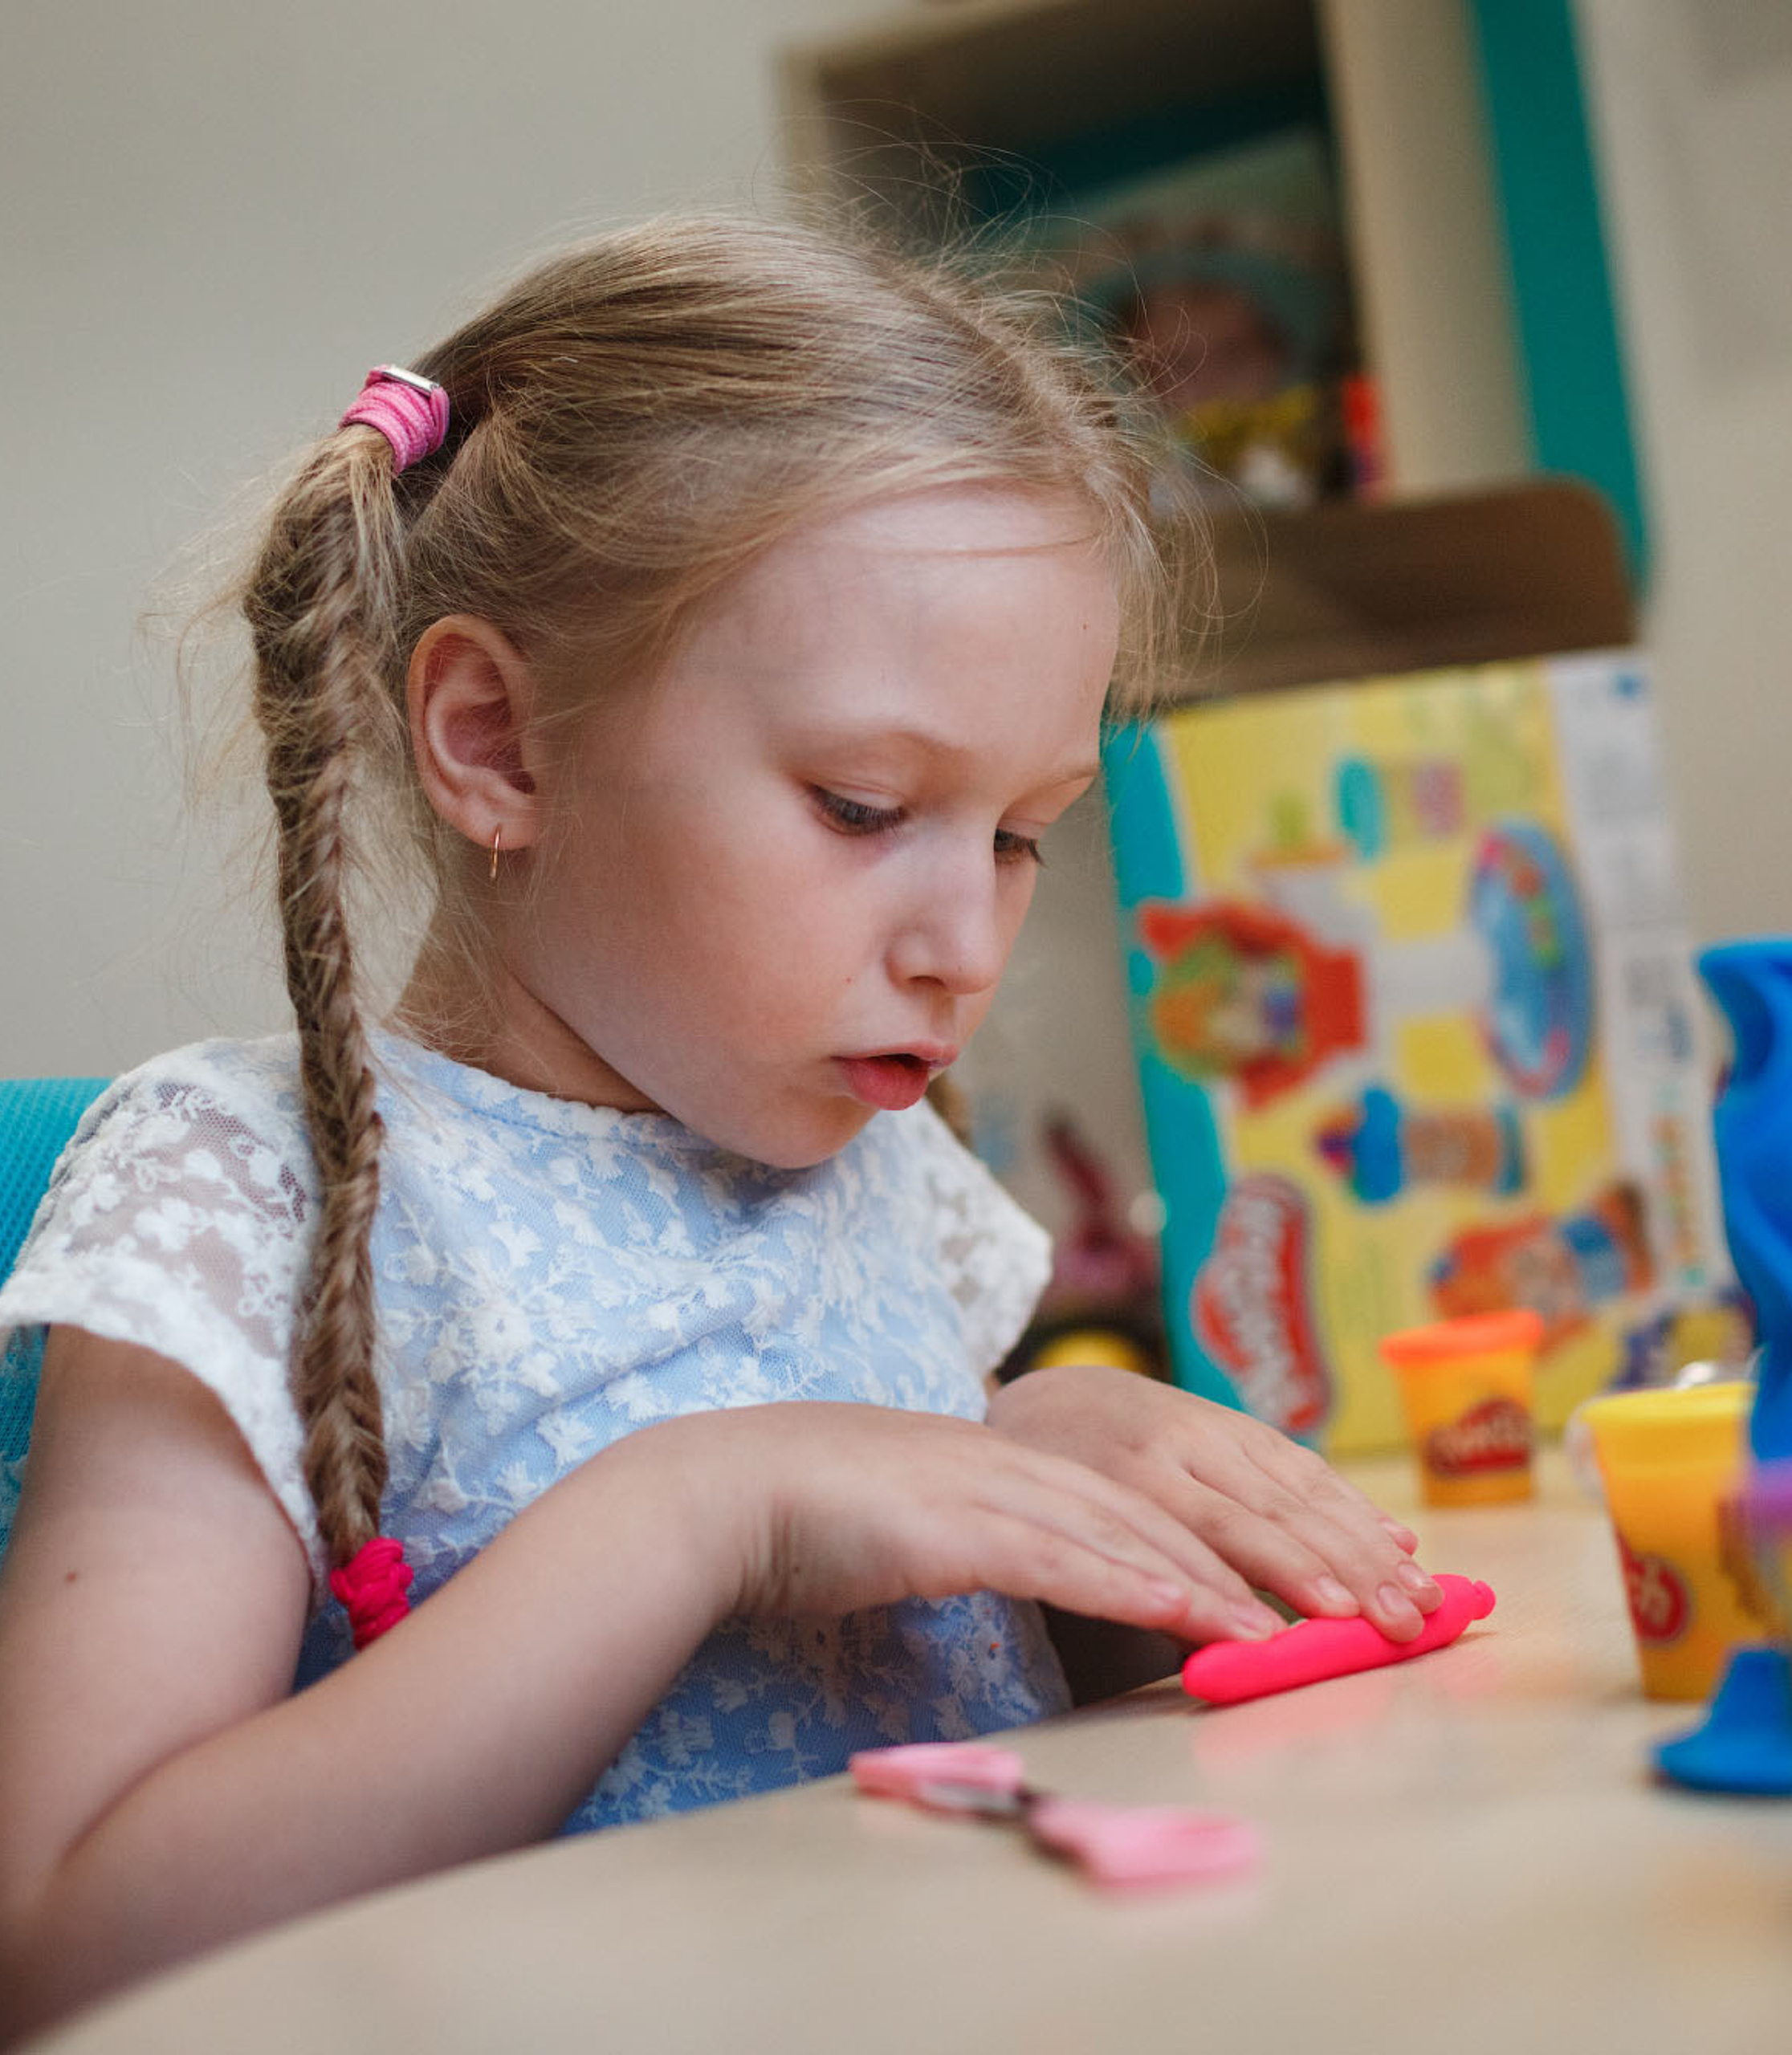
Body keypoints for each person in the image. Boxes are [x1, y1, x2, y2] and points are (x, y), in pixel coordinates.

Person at [0, 213, 1441, 2035]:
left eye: (1018, 832)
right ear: (497, 743)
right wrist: (699, 1511)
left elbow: (960, 1740)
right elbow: (70, 1949)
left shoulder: (871, 1151)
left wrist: (1054, 1491)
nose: (965, 943)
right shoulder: (246, 1195)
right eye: (860, 806)